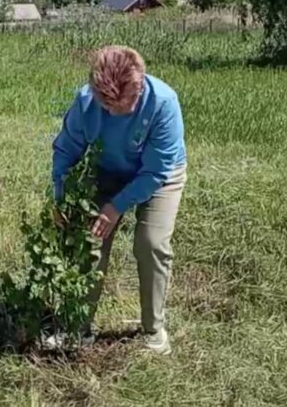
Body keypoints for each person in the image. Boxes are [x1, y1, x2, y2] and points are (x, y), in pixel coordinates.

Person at [51, 45, 187, 355]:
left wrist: (115, 207)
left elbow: (155, 171)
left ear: (140, 85)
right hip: (108, 170)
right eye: (107, 105)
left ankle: (154, 329)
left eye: (124, 104)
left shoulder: (163, 103)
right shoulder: (85, 102)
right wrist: (60, 197)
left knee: (151, 242)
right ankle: (78, 328)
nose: (115, 113)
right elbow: (65, 151)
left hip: (158, 174)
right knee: (89, 240)